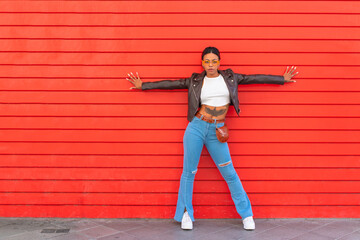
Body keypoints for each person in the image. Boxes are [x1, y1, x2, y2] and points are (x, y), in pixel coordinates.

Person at [126, 46, 298, 231]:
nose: (210, 65)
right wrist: (143, 85)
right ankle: (186, 214)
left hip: (218, 130)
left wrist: (281, 79)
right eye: (206, 61)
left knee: (230, 173)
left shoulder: (231, 78)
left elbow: (254, 78)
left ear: (219, 62)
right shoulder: (195, 80)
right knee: (189, 172)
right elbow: (171, 83)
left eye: (214, 61)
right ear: (202, 63)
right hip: (197, 127)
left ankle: (247, 215)